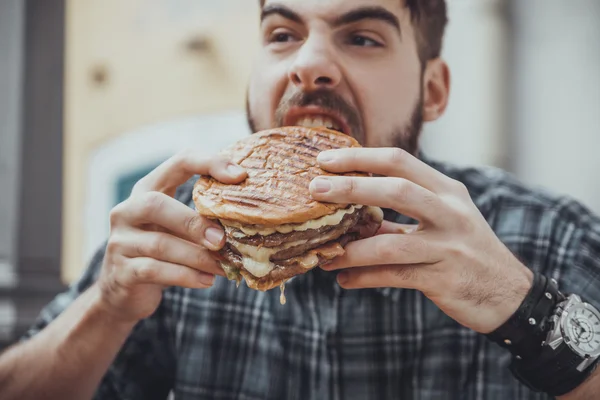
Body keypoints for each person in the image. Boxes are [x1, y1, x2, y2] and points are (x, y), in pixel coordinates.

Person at [1, 0, 599, 399]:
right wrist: (105, 307)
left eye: (362, 37)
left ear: (433, 89)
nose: (310, 64)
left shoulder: (553, 236)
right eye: (282, 35)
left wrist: (520, 307)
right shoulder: (172, 233)